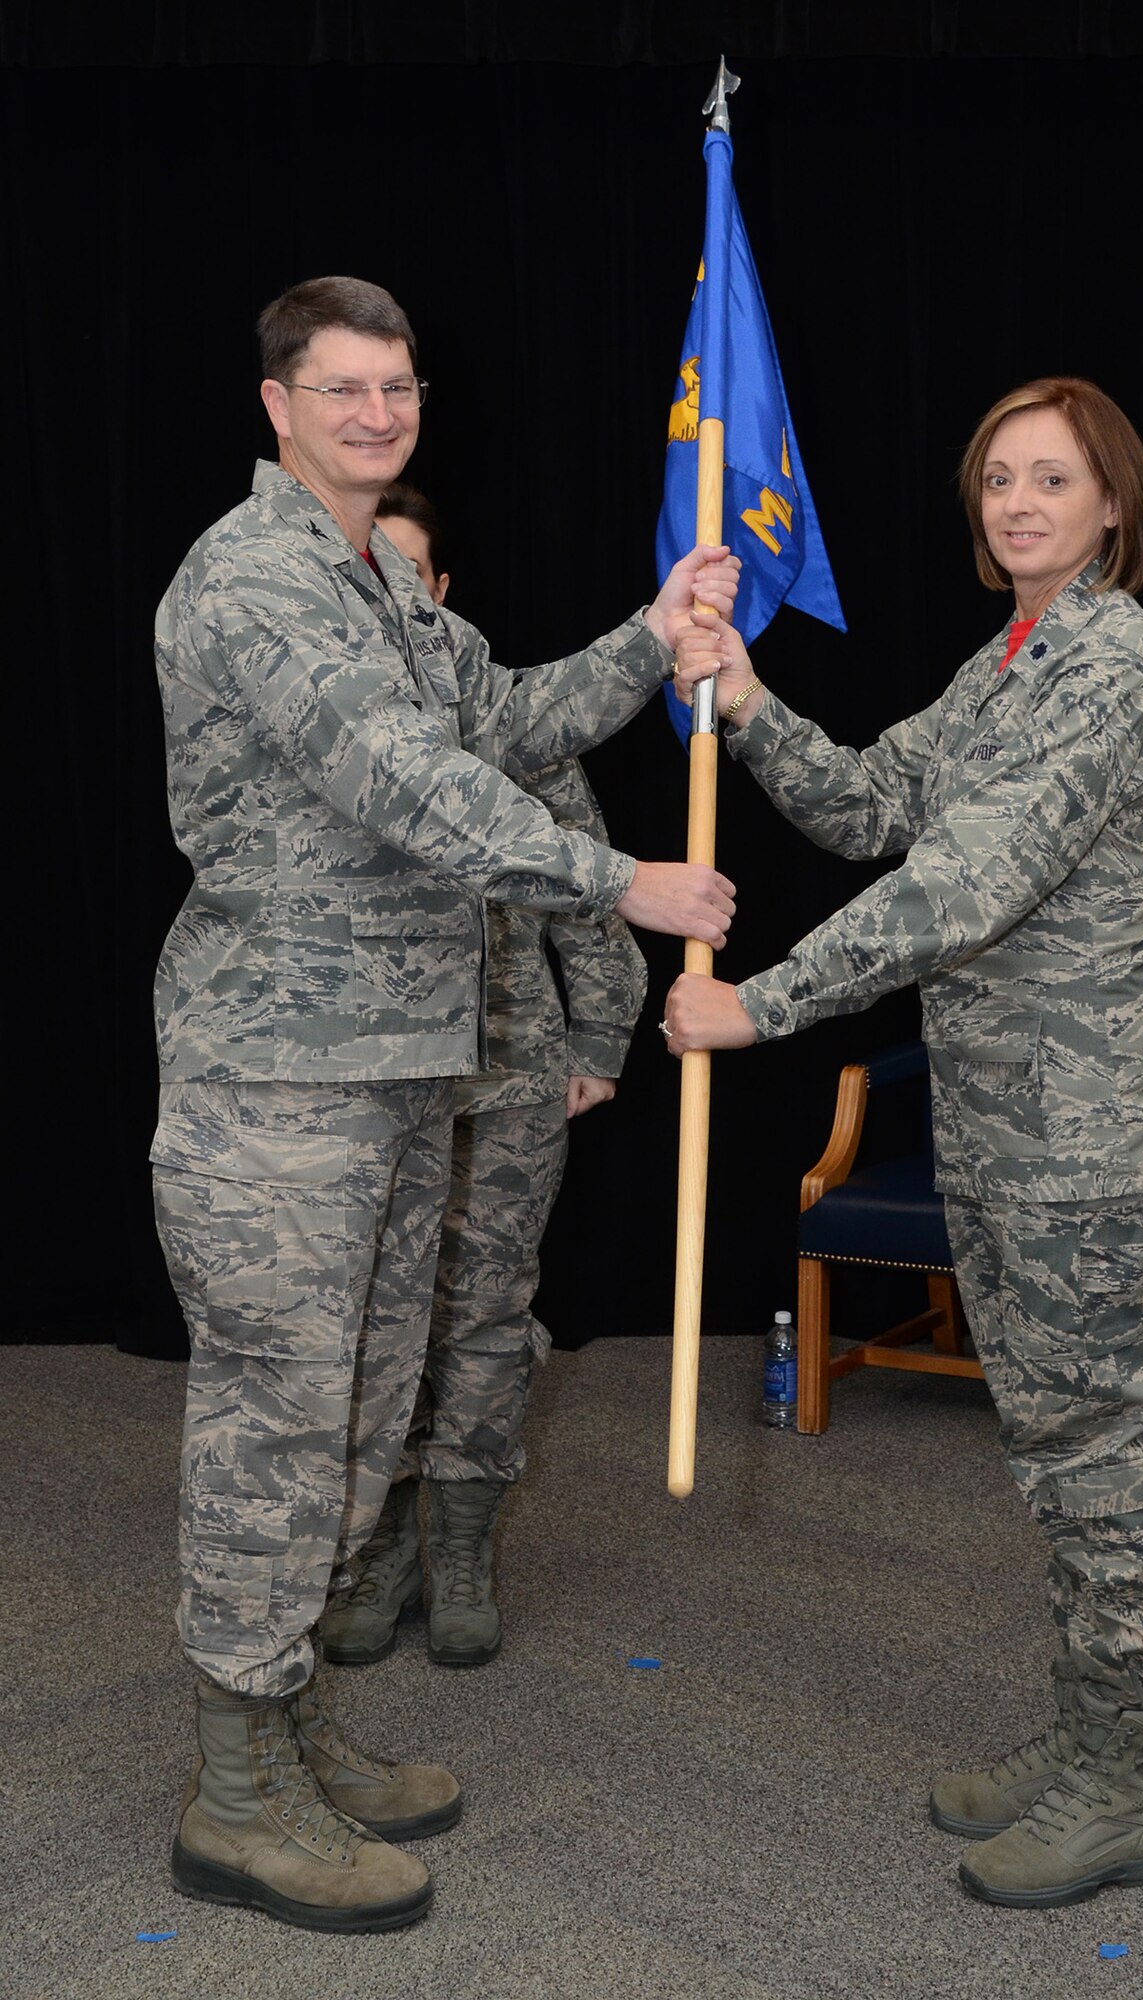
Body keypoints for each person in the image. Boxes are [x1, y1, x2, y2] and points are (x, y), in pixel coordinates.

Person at [151, 275, 738, 1933]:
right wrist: (619, 878)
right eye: (341, 389)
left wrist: (653, 624)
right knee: (276, 1432)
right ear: (276, 404)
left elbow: (503, 719)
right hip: (277, 1086)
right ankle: (232, 1787)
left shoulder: (385, 596)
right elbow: (411, 791)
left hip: (398, 1072)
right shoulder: (253, 581)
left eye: (395, 387)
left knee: (354, 1414)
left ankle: (285, 1727)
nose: (375, 413)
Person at [663, 377, 1143, 1911]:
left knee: (1104, 1461)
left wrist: (760, 1009)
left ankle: (1122, 1786)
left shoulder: (1115, 668)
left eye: (1052, 479)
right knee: (1054, 1457)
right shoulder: (1011, 659)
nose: (1017, 503)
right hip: (1002, 1131)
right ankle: (1094, 1727)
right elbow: (868, 805)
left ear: (1113, 506)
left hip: (1085, 1143)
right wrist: (751, 700)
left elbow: (954, 889)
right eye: (996, 480)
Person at [319, 482, 647, 1670]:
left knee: (484, 1313)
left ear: (443, 595)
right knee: (382, 1316)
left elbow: (593, 896)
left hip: (508, 1070)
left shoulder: (504, 722)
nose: (396, 595)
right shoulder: (328, 726)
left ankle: (458, 1541)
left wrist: (601, 1044)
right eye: (372, 576)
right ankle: (386, 1539)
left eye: (415, 575)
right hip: (377, 1078)